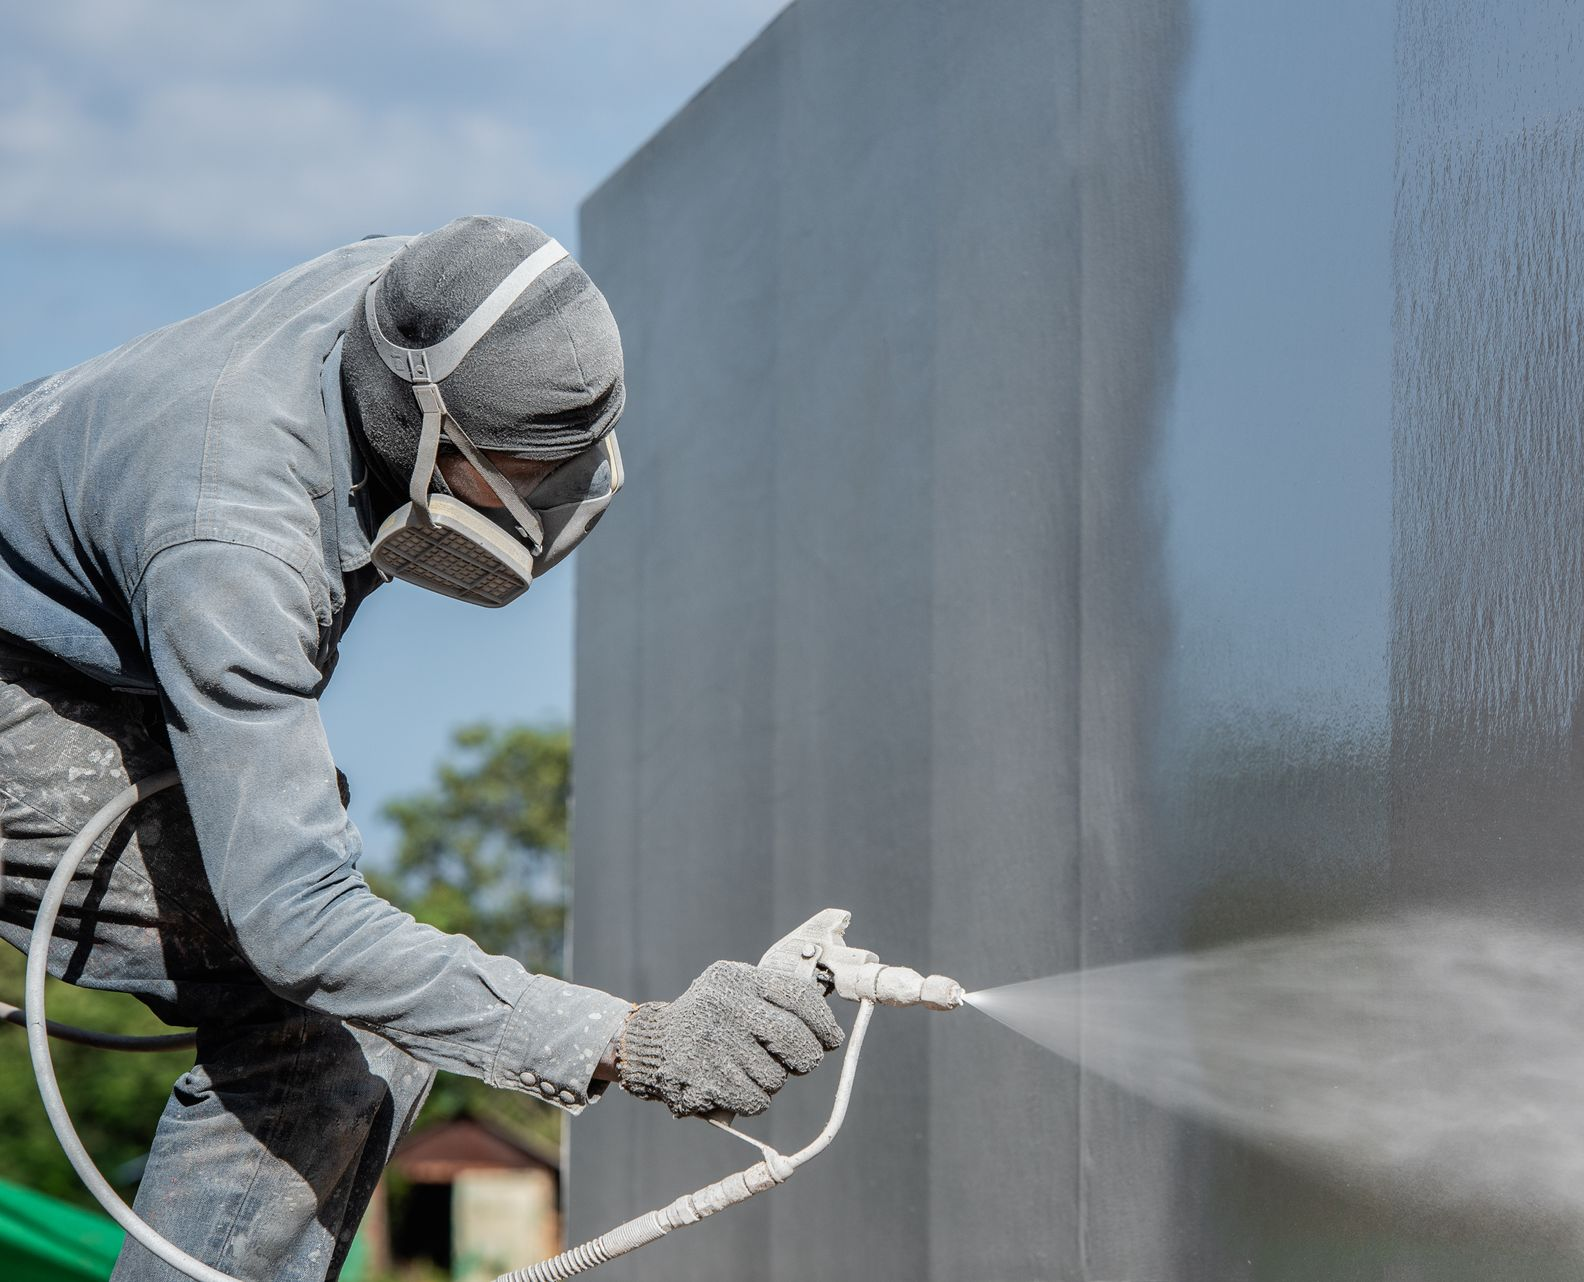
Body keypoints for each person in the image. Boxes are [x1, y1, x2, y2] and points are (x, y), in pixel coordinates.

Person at [0, 215, 841, 1282]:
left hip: (67, 627)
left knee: (372, 1006)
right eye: (524, 473)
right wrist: (628, 1040)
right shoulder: (234, 537)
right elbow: (299, 923)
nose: (549, 503)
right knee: (323, 1041)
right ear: (420, 420)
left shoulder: (420, 295)